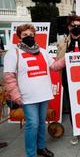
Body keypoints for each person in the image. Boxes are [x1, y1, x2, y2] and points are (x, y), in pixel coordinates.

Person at [4, 24, 66, 157]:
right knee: (32, 124)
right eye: (25, 35)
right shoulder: (13, 52)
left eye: (31, 35)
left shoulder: (42, 51)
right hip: (27, 96)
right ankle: (31, 153)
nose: (29, 37)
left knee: (41, 123)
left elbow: (54, 66)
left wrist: (67, 58)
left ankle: (41, 147)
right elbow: (9, 76)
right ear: (19, 36)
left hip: (43, 94)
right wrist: (15, 94)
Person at [57, 15, 80, 145]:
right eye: (74, 26)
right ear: (69, 27)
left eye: (79, 26)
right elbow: (58, 61)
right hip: (68, 79)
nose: (77, 28)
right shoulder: (62, 42)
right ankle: (77, 132)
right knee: (73, 107)